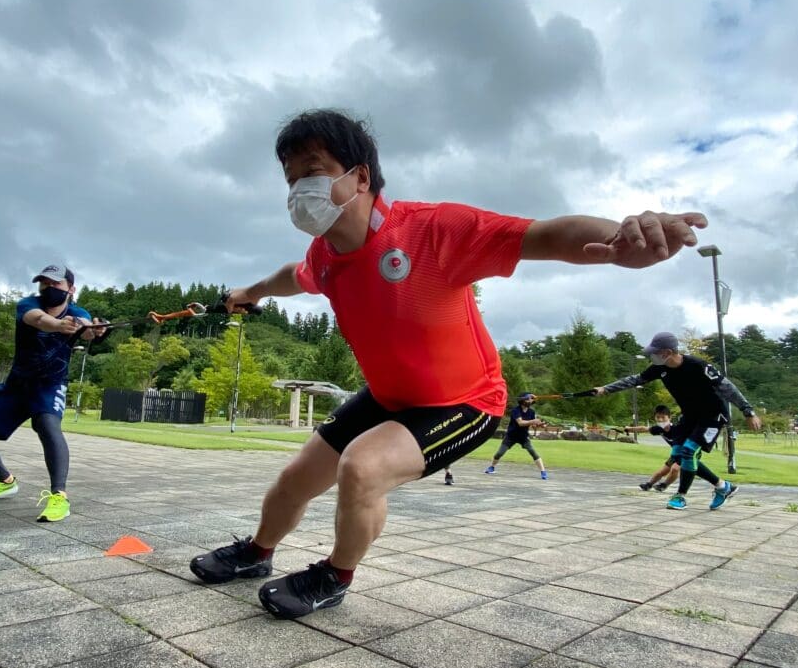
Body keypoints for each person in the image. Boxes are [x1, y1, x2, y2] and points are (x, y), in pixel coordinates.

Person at [188, 109, 707, 620]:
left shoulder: (433, 230)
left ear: (360, 175)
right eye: (292, 178)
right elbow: (292, 275)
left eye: (314, 170)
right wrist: (250, 293)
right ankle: (256, 554)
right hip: (389, 395)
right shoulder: (324, 255)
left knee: (362, 468)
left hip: (463, 401)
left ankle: (333, 577)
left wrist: (621, 240)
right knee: (294, 480)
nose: (301, 189)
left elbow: (543, 234)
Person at [0, 265, 104, 522]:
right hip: (17, 387)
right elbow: (39, 320)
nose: (49, 288)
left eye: (56, 284)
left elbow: (87, 327)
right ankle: (5, 481)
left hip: (50, 386)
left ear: (71, 289)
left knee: (46, 424)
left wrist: (95, 330)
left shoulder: (78, 312)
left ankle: (59, 496)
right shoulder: (28, 304)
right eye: (44, 283)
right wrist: (59, 325)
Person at [586, 332, 761, 511]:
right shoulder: (659, 369)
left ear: (667, 352)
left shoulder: (697, 365)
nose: (651, 356)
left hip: (713, 416)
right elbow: (634, 380)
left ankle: (680, 496)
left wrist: (748, 411)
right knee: (680, 455)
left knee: (689, 451)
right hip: (690, 416)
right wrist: (606, 389)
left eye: (655, 352)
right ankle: (723, 487)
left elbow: (728, 388)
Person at [485, 392, 549, 479]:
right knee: (499, 453)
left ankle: (543, 471)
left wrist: (540, 425)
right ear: (523, 401)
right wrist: (533, 421)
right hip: (511, 436)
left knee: (533, 452)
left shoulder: (531, 412)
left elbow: (533, 425)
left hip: (523, 437)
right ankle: (492, 467)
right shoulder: (516, 410)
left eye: (531, 399)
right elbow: (520, 423)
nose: (531, 400)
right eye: (529, 399)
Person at [638, 404, 682, 492]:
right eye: (658, 417)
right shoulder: (659, 429)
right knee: (663, 471)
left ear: (669, 417)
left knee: (675, 469)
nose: (660, 420)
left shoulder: (677, 428)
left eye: (663, 417)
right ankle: (649, 484)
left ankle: (664, 485)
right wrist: (628, 429)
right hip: (675, 454)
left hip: (686, 453)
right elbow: (644, 429)